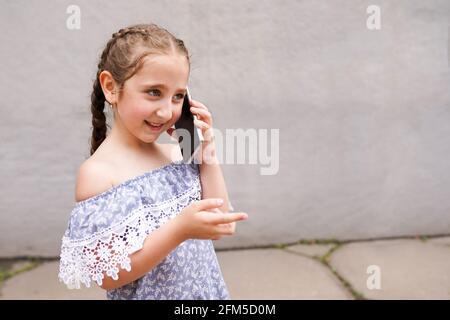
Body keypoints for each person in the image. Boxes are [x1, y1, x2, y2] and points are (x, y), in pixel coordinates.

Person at [58, 23, 248, 300]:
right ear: (111, 87)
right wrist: (179, 230)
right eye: (154, 92)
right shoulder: (99, 174)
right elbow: (108, 276)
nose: (166, 110)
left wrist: (207, 149)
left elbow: (223, 225)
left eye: (178, 96)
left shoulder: (175, 157)